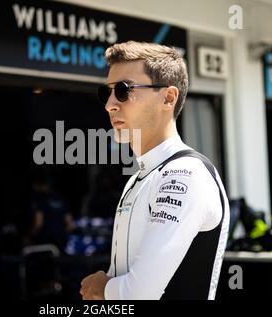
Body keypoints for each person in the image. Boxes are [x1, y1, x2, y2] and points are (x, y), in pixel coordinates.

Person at [80, 41, 230, 300]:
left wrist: (100, 286)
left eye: (124, 90)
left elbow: (138, 294)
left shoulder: (185, 173)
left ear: (168, 98)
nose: (110, 105)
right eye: (107, 93)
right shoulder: (142, 175)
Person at [25, 175, 75, 253]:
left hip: (45, 243)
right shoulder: (61, 200)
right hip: (61, 241)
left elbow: (38, 224)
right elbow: (71, 225)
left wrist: (28, 236)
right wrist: (61, 234)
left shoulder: (40, 199)